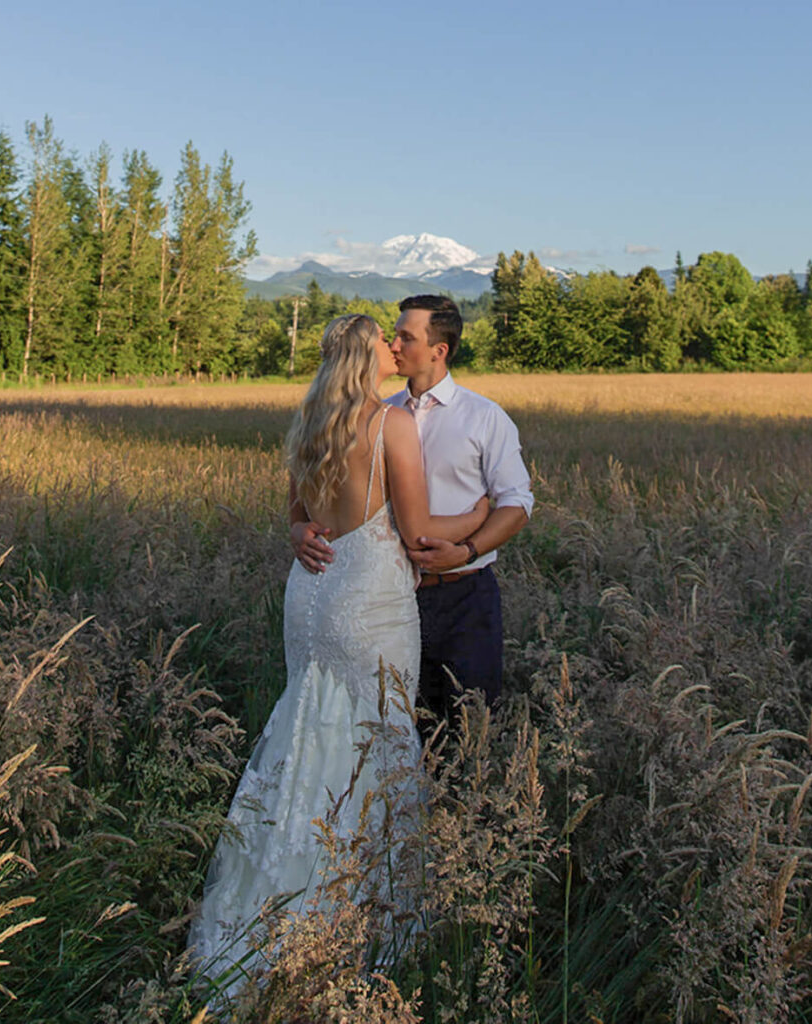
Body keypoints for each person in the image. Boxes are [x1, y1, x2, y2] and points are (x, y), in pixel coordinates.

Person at [189, 313, 487, 995]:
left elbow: (296, 516)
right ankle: (358, 925)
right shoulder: (391, 425)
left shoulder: (309, 422)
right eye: (386, 340)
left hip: (311, 596)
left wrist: (299, 533)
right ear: (367, 357)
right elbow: (416, 534)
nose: (394, 347)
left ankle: (272, 900)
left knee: (305, 731)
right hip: (368, 604)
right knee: (372, 742)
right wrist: (481, 517)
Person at [292, 295, 533, 724]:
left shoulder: (484, 417)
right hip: (390, 595)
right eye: (393, 336)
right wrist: (297, 528)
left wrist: (469, 550)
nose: (396, 345)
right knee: (395, 722)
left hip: (464, 594)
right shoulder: (380, 414)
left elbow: (517, 503)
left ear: (439, 351)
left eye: (406, 337)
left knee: (467, 725)